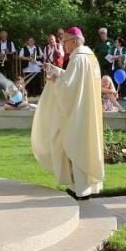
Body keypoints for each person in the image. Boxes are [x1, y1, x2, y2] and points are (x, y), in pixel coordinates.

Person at [31, 27, 104, 200]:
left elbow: (68, 88)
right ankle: (84, 188)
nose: (64, 45)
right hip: (88, 111)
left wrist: (55, 80)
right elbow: (75, 81)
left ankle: (80, 190)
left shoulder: (78, 59)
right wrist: (58, 72)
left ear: (75, 41)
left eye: (65, 41)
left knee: (75, 146)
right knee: (84, 146)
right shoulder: (90, 57)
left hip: (77, 112)